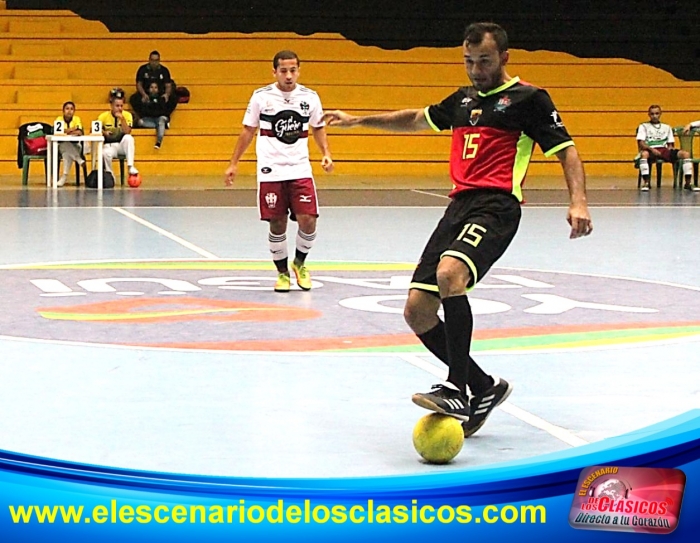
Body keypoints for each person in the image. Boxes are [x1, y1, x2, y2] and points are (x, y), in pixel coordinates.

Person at [323, 22, 593, 438]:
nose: (475, 69)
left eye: (483, 61)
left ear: (504, 57)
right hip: (457, 207)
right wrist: (356, 120)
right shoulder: (464, 100)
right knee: (417, 310)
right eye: (468, 61)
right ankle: (484, 388)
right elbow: (415, 119)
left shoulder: (529, 99)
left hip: (496, 206)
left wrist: (578, 201)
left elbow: (566, 150)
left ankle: (455, 386)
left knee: (451, 274)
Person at [224, 50, 333, 292]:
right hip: (271, 170)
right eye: (283, 70)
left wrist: (325, 152)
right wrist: (234, 163)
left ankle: (300, 263)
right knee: (277, 224)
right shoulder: (261, 97)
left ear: (299, 71)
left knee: (309, 220)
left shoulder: (310, 97)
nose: (289, 75)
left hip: (300, 168)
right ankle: (282, 273)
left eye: (293, 70)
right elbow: (247, 131)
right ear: (274, 72)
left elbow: (318, 127)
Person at [636, 105, 696, 191]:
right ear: (649, 114)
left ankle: (688, 183)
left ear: (660, 114)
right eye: (652, 114)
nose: (654, 116)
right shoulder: (643, 126)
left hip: (663, 150)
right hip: (650, 149)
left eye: (657, 113)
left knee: (686, 154)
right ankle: (646, 182)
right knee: (644, 154)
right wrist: (652, 149)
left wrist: (670, 149)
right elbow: (641, 143)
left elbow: (670, 144)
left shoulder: (667, 127)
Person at [97, 88, 139, 177]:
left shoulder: (127, 115)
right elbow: (94, 130)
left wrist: (122, 119)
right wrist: (104, 132)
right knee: (104, 153)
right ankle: (110, 175)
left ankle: (130, 166)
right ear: (111, 106)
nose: (119, 108)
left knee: (129, 138)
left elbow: (127, 131)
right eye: (117, 106)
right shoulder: (103, 116)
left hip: (121, 145)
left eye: (121, 106)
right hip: (109, 146)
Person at [129, 50, 177, 121]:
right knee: (133, 99)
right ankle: (143, 117)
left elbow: (168, 85)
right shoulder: (142, 69)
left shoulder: (164, 70)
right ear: (149, 60)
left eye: (156, 60)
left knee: (173, 99)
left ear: (159, 60)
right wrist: (143, 94)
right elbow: (139, 84)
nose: (154, 62)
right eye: (152, 60)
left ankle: (164, 117)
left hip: (160, 95)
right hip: (146, 95)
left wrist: (166, 94)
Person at [54, 101, 85, 187]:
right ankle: (78, 159)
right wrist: (72, 129)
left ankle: (64, 177)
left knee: (66, 153)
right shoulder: (59, 119)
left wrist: (67, 132)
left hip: (75, 146)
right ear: (63, 111)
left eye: (72, 109)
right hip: (61, 145)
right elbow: (57, 132)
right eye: (67, 109)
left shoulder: (77, 119)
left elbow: (79, 132)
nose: (69, 111)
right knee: (64, 145)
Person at [137, 81, 170, 149]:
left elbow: (164, 111)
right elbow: (143, 113)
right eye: (151, 87)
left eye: (155, 87)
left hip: (161, 117)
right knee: (140, 122)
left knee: (161, 120)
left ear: (158, 89)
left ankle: (158, 142)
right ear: (148, 89)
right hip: (150, 120)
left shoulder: (162, 98)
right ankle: (163, 126)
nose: (153, 89)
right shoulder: (145, 99)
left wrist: (153, 109)